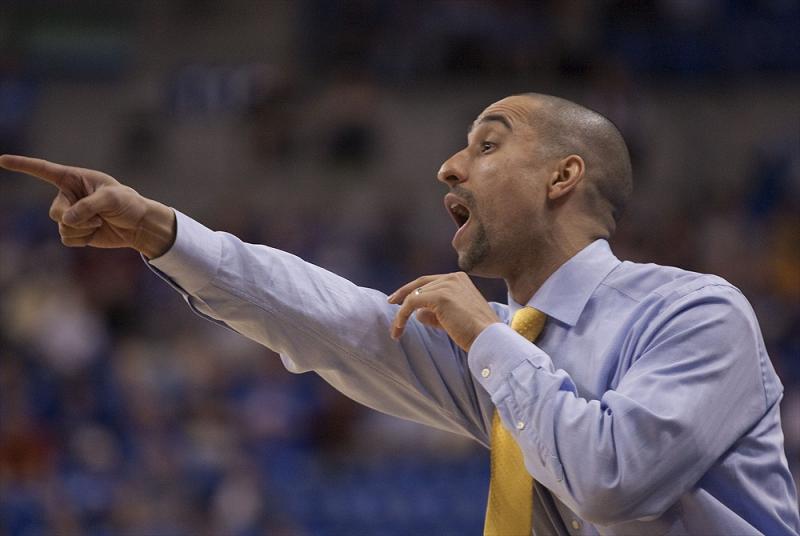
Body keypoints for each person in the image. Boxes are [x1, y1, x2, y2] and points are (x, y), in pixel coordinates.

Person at [2, 93, 798, 535]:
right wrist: (164, 232)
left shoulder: (697, 315)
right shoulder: (508, 346)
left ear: (563, 177)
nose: (448, 166)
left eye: (487, 145)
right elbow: (335, 321)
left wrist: (485, 337)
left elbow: (612, 480)